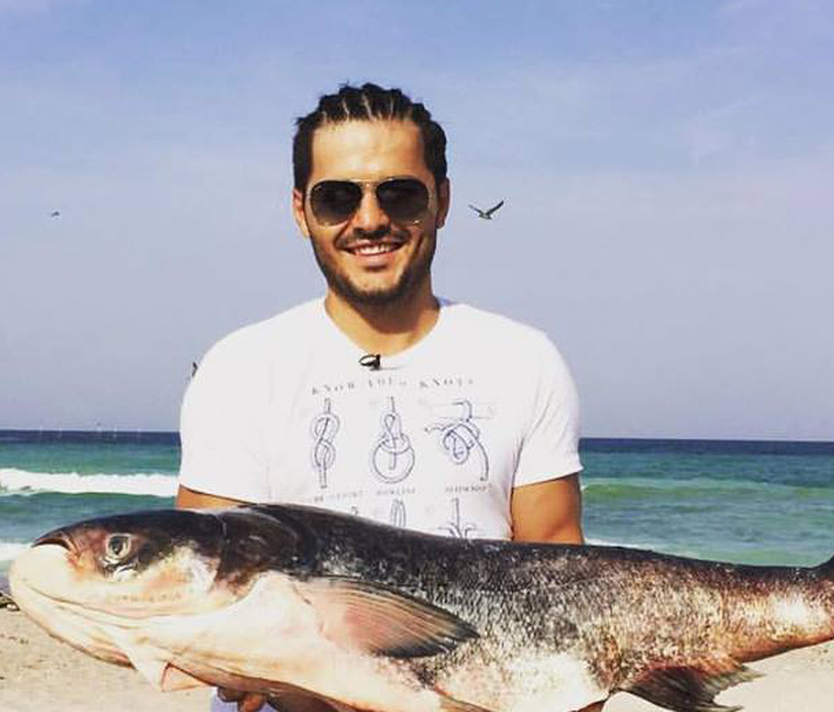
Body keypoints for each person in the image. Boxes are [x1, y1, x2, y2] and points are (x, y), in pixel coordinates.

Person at [176, 82, 584, 712]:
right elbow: (203, 586)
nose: (369, 219)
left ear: (442, 201)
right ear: (300, 210)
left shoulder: (523, 359)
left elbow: (560, 574)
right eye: (337, 198)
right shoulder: (239, 368)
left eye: (399, 194)